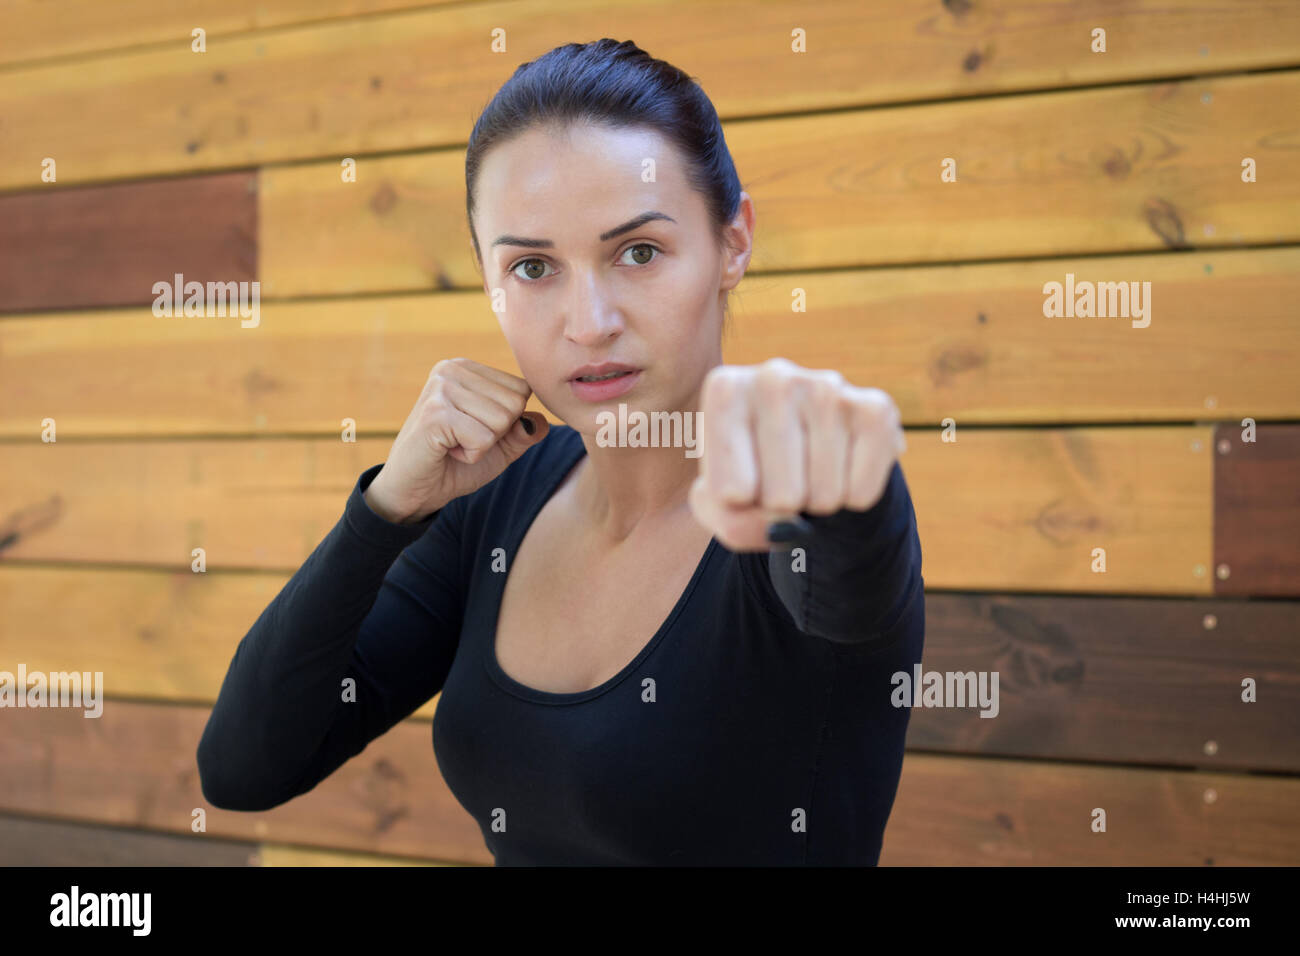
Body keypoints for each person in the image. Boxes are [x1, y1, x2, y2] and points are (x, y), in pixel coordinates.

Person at [197, 38, 924, 866]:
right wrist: (385, 510)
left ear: (733, 242)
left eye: (639, 253)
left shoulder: (792, 497)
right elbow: (244, 768)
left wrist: (845, 479)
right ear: (487, 279)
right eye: (535, 267)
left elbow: (848, 565)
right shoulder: (492, 505)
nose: (589, 322)